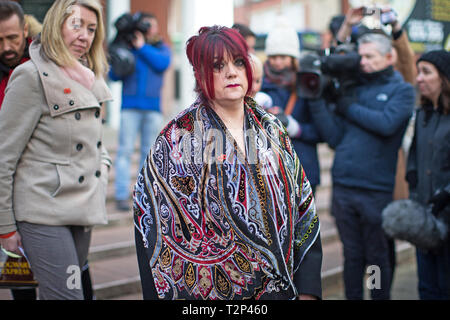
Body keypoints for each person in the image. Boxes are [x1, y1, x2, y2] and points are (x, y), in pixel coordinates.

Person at [133, 25, 322, 300]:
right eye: (217, 65)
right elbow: (152, 221)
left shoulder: (271, 128)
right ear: (199, 74)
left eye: (238, 62)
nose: (231, 72)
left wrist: (308, 290)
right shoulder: (179, 138)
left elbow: (303, 206)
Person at [0, 0, 112, 300]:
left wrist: (103, 172)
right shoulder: (30, 75)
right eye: (77, 25)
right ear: (55, 25)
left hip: (81, 209)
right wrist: (5, 228)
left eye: (91, 29)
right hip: (41, 211)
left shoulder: (88, 76)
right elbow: (3, 157)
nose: (85, 36)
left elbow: (97, 144)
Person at [307, 33, 415, 299]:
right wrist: (317, 98)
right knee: (352, 256)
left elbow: (386, 123)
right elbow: (333, 137)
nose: (362, 62)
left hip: (375, 190)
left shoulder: (402, 91)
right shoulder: (353, 88)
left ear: (389, 57)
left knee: (376, 258)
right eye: (361, 56)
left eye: (369, 57)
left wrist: (347, 107)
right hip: (344, 187)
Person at [109, 12, 171, 212]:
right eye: (145, 25)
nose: (148, 28)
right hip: (129, 107)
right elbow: (114, 75)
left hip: (152, 109)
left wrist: (142, 47)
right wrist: (124, 50)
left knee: (148, 154)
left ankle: (146, 196)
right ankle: (121, 196)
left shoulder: (161, 48)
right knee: (125, 151)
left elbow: (162, 64)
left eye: (150, 25)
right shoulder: (128, 48)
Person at [406, 50, 450, 300]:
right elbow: (414, 155)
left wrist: (446, 193)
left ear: (443, 77)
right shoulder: (421, 115)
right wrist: (412, 177)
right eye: (418, 71)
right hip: (424, 217)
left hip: (447, 217)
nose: (419, 78)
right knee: (426, 288)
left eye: (426, 72)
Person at [261, 21, 323, 195]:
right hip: (270, 171)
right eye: (273, 57)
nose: (277, 62)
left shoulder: (307, 84)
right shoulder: (259, 85)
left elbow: (322, 131)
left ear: (293, 57)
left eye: (283, 57)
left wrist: (296, 128)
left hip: (303, 169)